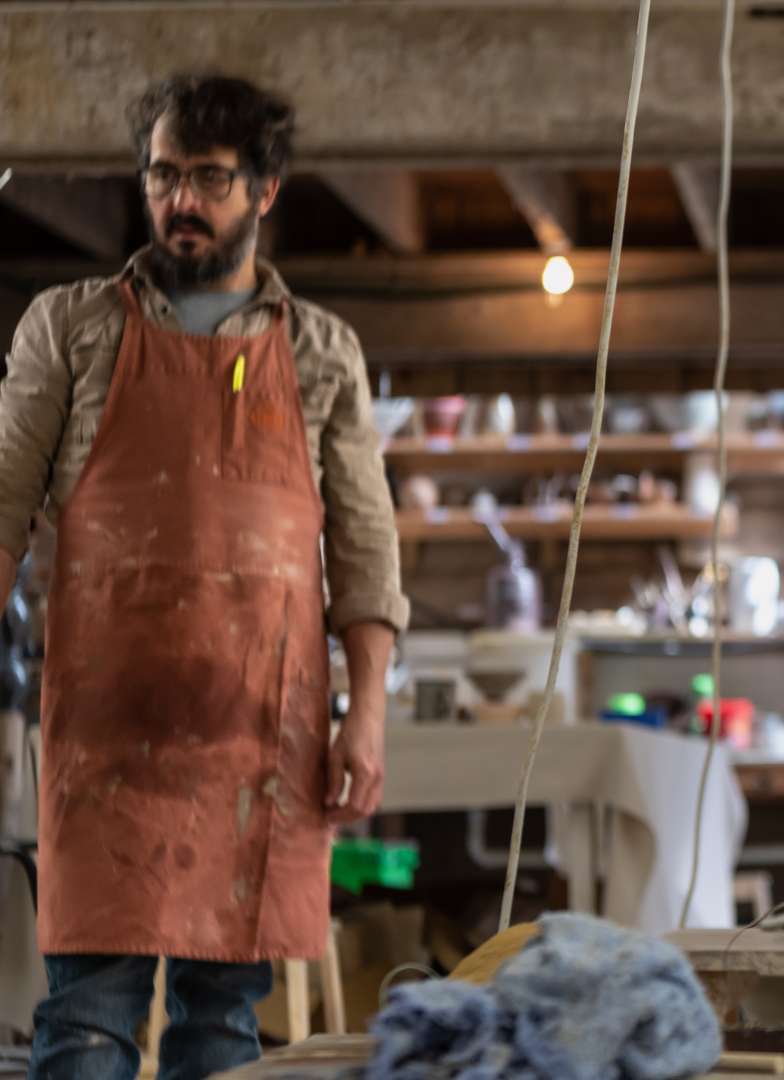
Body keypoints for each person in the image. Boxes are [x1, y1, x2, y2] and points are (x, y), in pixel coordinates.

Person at [3, 75, 408, 1079]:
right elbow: (3, 499)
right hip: (106, 738)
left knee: (221, 1030)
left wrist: (365, 713)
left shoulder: (321, 353)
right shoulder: (71, 328)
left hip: (258, 745)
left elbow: (364, 546)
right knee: (87, 1021)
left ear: (265, 191)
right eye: (163, 174)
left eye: (210, 179)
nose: (180, 199)